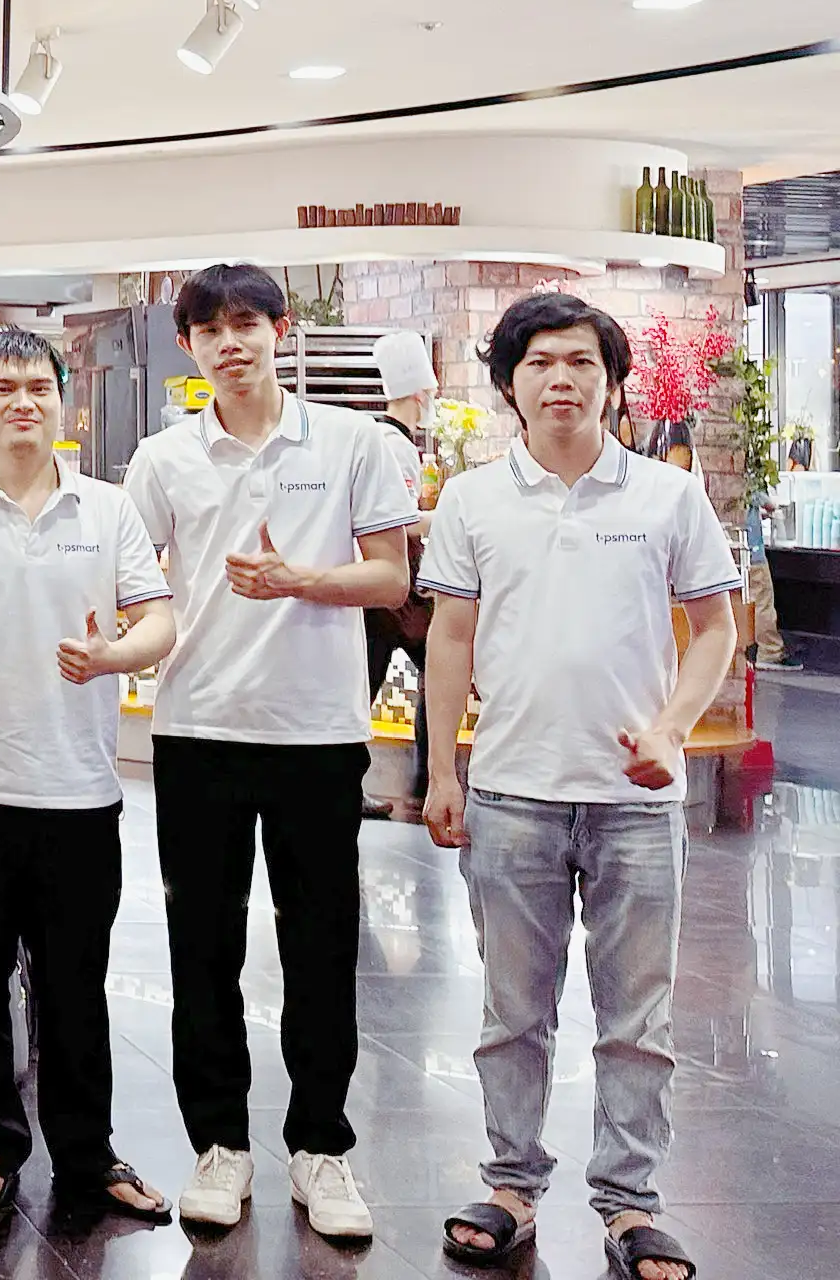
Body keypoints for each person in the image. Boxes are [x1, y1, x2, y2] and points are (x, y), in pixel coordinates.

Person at [423, 293, 739, 1280]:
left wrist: (670, 730)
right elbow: (450, 637)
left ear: (612, 382)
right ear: (509, 384)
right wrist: (441, 770)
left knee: (637, 1019)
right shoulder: (472, 500)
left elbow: (717, 627)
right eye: (540, 363)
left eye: (581, 363)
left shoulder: (667, 496)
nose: (561, 379)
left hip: (636, 804)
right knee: (511, 1013)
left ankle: (631, 1202)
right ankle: (511, 1186)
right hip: (510, 791)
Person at [121, 263, 413, 1243]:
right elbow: (130, 584)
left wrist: (298, 580)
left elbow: (390, 579)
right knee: (200, 948)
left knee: (320, 946)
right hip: (196, 729)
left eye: (246, 324)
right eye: (210, 331)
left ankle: (322, 1148)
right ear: (189, 347)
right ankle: (219, 1145)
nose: (230, 344)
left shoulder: (352, 442)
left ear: (280, 330)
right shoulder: (162, 459)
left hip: (316, 734)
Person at [0, 329, 177, 1226]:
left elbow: (158, 621)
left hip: (79, 792)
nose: (23, 402)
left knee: (74, 988)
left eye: (39, 387)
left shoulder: (107, 508)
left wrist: (112, 657)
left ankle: (88, 1154)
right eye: (4, 388)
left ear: (63, 402)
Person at [366, 328, 438, 817]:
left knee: (365, 684)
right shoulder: (395, 446)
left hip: (382, 587)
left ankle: (423, 777)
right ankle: (426, 777)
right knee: (439, 666)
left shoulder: (382, 439)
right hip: (394, 586)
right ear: (420, 395)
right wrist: (447, 517)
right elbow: (401, 523)